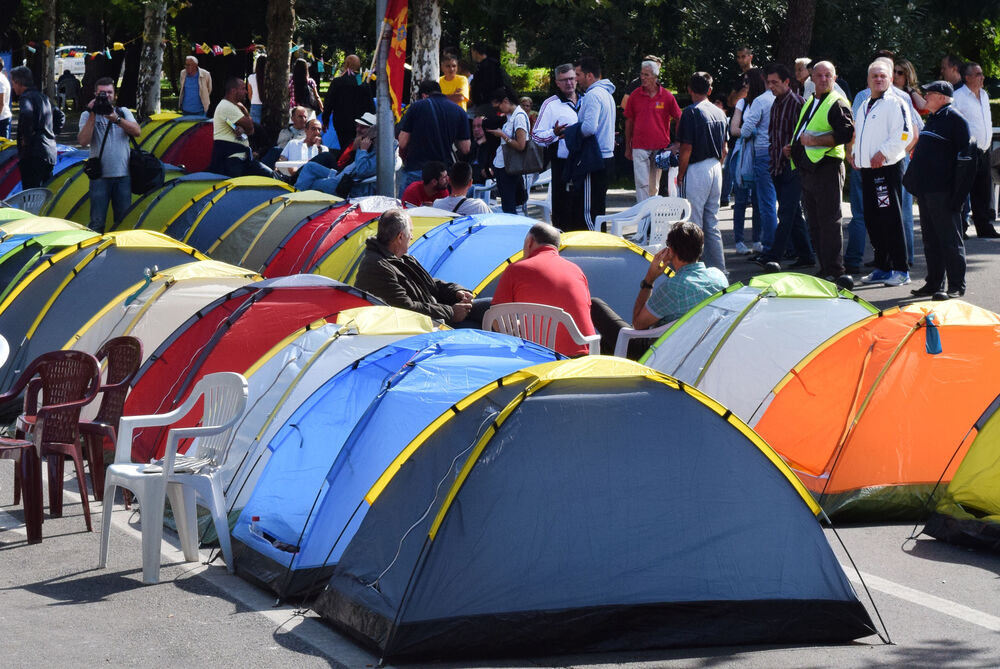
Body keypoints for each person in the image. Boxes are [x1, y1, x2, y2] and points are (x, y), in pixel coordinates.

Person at [590, 221, 728, 358]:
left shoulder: (673, 288)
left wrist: (649, 279)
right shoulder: (718, 277)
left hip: (661, 353)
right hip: (700, 348)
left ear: (671, 250)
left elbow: (638, 325)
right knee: (608, 342)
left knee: (594, 305)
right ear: (700, 248)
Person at [903, 81, 974, 299]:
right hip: (927, 190)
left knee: (949, 240)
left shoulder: (955, 119)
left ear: (942, 97)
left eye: (930, 93)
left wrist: (958, 195)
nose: (925, 97)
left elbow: (968, 160)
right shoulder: (935, 118)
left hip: (943, 191)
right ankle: (934, 283)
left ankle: (956, 286)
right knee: (931, 240)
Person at [790, 61, 854, 286]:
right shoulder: (811, 100)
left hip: (828, 166)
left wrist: (814, 141)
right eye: (820, 75)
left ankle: (835, 271)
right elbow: (803, 128)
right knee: (815, 221)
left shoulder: (837, 101)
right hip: (810, 167)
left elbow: (847, 133)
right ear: (812, 78)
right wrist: (794, 147)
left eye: (829, 75)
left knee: (829, 221)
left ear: (835, 78)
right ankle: (824, 267)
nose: (824, 79)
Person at [355, 208, 477, 326]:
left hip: (435, 316)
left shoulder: (402, 257)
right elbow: (405, 309)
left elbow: (429, 284)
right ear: (400, 237)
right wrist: (451, 312)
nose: (412, 237)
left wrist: (456, 292)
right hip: (424, 327)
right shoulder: (376, 267)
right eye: (411, 232)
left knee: (488, 307)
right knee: (479, 323)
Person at [848, 60, 912, 287]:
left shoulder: (896, 104)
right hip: (867, 170)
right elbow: (860, 134)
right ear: (868, 80)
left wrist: (883, 153)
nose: (879, 79)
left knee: (891, 218)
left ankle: (901, 269)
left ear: (891, 79)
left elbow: (905, 134)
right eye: (874, 76)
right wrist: (855, 153)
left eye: (883, 76)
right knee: (873, 220)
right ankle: (883, 267)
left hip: (886, 170)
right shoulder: (865, 103)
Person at [491, 223, 597, 357]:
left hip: (537, 357)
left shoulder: (515, 269)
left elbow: (498, 321)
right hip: (582, 355)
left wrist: (521, 327)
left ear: (529, 242)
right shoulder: (576, 270)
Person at [753, 63, 814, 269]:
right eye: (768, 82)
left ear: (787, 82)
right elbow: (773, 135)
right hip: (777, 165)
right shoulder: (776, 103)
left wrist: (793, 152)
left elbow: (806, 134)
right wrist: (773, 159)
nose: (771, 86)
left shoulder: (798, 103)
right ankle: (806, 255)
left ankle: (773, 255)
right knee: (793, 213)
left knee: (786, 212)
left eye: (775, 82)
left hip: (794, 166)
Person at [677, 71, 728, 272]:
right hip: (716, 166)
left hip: (697, 168)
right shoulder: (719, 112)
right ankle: (719, 269)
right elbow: (724, 148)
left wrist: (681, 173)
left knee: (694, 222)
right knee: (712, 221)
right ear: (710, 90)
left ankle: (695, 270)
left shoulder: (690, 112)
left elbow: (686, 148)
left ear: (689, 89)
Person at [77, 76, 142, 232]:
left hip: (123, 175)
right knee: (97, 222)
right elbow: (83, 141)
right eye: (102, 93)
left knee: (123, 222)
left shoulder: (123, 112)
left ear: (115, 94)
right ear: (95, 94)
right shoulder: (87, 115)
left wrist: (117, 119)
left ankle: (121, 253)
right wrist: (93, 113)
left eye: (109, 93)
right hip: (99, 177)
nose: (106, 96)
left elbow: (137, 132)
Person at [396, 80, 471, 195]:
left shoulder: (416, 107)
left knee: (409, 210)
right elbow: (465, 148)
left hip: (417, 170)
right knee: (441, 211)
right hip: (442, 174)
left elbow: (402, 142)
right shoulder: (459, 111)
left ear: (423, 95)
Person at [952, 61, 1000, 238]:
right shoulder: (957, 97)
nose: (982, 77)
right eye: (978, 74)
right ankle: (961, 227)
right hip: (967, 150)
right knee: (964, 190)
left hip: (984, 149)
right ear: (967, 77)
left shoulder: (985, 95)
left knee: (983, 190)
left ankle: (984, 226)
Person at [732, 67, 776, 261]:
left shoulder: (766, 100)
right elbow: (734, 129)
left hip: (759, 152)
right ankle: (739, 240)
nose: (744, 87)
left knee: (760, 200)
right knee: (741, 198)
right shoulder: (744, 102)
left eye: (747, 83)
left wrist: (750, 129)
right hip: (745, 153)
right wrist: (749, 131)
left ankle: (758, 239)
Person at [624, 59, 682, 203]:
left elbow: (679, 118)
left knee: (653, 186)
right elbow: (629, 121)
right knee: (641, 184)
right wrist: (627, 146)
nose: (642, 77)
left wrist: (678, 143)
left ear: (655, 77)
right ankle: (644, 216)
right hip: (639, 146)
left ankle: (651, 217)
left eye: (646, 75)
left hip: (659, 147)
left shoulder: (667, 96)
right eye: (642, 74)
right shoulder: (635, 96)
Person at [568, 56, 615, 231]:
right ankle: (599, 244)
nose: (576, 79)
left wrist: (570, 131)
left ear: (589, 75)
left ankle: (594, 245)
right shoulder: (606, 94)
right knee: (597, 207)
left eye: (578, 74)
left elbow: (589, 128)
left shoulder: (593, 95)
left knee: (588, 211)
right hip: (605, 157)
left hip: (594, 160)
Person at [531, 63, 580, 230]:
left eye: (572, 78)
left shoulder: (587, 99)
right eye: (564, 80)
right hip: (562, 163)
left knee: (581, 207)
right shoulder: (551, 104)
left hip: (584, 162)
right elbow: (536, 136)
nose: (569, 83)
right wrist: (554, 133)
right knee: (562, 208)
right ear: (557, 82)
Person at [295, 117, 376, 198]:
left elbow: (362, 171)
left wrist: (362, 150)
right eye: (357, 126)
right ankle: (293, 183)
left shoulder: (375, 151)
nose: (358, 129)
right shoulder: (358, 142)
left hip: (343, 183)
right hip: (340, 174)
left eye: (363, 127)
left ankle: (295, 198)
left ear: (372, 131)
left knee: (311, 180)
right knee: (310, 166)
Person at [8, 66, 59, 188]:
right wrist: (52, 134)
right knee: (44, 194)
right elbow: (59, 115)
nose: (12, 87)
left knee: (30, 195)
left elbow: (27, 113)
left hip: (33, 154)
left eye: (13, 83)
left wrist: (26, 139)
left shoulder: (26, 97)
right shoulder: (43, 97)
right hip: (49, 152)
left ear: (19, 83)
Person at [210, 77, 272, 178]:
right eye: (243, 88)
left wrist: (245, 127)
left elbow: (251, 131)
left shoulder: (233, 106)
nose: (246, 92)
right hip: (232, 158)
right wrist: (245, 111)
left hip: (242, 156)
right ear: (233, 91)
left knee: (269, 175)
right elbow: (250, 126)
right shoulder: (227, 106)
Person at [486, 87, 531, 213]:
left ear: (505, 101)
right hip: (503, 165)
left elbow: (521, 145)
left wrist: (502, 135)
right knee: (507, 204)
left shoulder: (519, 117)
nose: (498, 110)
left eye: (498, 106)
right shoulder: (511, 116)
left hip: (510, 167)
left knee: (509, 205)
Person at [322, 54, 375, 152]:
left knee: (345, 148)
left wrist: (325, 120)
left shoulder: (337, 82)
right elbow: (371, 105)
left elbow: (328, 102)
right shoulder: (362, 83)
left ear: (346, 65)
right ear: (358, 66)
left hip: (342, 123)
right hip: (360, 124)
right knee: (359, 148)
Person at [469, 44, 510, 115]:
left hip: (487, 104)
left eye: (472, 52)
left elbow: (486, 85)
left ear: (475, 52)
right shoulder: (493, 64)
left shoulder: (485, 67)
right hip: (492, 102)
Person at [247, 55, 266, 125]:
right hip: (267, 105)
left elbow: (249, 94)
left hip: (254, 104)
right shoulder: (269, 78)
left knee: (256, 129)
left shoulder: (251, 77)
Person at [0, 60, 11, 139]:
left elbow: (1, 103)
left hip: (2, 119)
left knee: (2, 149)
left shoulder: (0, 80)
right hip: (3, 118)